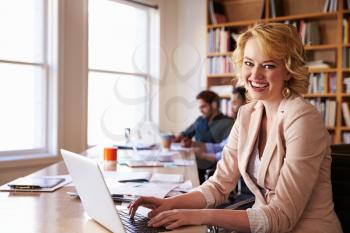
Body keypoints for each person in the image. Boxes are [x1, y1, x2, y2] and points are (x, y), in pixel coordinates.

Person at [128, 23, 342, 232]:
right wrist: (171, 203)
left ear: (288, 70)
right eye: (249, 63)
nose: (255, 75)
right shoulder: (247, 114)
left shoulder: (303, 117)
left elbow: (282, 217)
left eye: (268, 65)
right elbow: (220, 185)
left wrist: (198, 215)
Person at [194, 86, 247, 163]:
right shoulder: (238, 125)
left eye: (234, 103)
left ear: (246, 104)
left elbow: (232, 155)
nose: (231, 108)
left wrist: (204, 155)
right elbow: (222, 146)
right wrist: (196, 145)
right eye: (230, 103)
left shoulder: (241, 126)